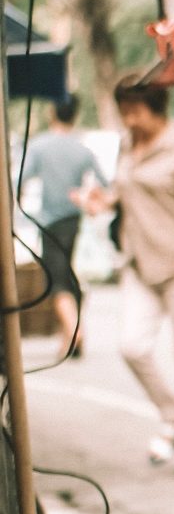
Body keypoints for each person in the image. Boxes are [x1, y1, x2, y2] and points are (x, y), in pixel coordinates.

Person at [84, 79, 174, 472]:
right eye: (124, 108)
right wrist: (100, 201)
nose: (128, 117)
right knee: (132, 346)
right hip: (139, 262)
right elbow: (123, 190)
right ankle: (172, 415)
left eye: (134, 109)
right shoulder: (128, 142)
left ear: (155, 107)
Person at [22, 94, 100, 359]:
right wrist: (85, 198)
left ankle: (75, 331)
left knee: (56, 279)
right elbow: (103, 184)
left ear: (51, 113)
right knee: (67, 274)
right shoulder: (83, 150)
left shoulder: (40, 146)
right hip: (73, 220)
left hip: (49, 222)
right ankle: (67, 338)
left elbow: (19, 178)